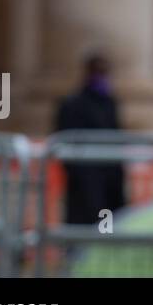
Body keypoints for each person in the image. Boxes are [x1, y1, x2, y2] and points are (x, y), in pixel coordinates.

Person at [53, 53, 126, 227]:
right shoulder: (73, 104)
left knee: (106, 225)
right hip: (83, 179)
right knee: (82, 224)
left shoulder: (109, 103)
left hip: (109, 177)